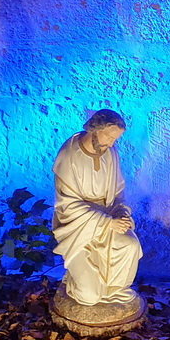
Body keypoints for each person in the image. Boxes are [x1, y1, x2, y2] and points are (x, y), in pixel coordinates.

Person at [51, 110, 145, 322]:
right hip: (79, 227)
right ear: (94, 129)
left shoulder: (110, 153)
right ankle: (74, 280)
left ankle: (114, 291)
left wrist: (122, 213)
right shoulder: (69, 156)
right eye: (109, 137)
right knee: (88, 297)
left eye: (115, 139)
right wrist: (106, 222)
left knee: (130, 246)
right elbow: (68, 205)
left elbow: (118, 192)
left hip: (109, 218)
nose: (111, 144)